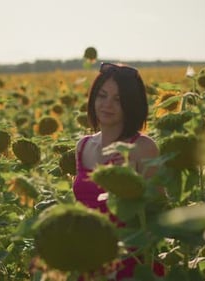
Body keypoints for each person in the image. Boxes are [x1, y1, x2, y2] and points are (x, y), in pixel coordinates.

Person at [73, 62, 165, 279]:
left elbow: (158, 213)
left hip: (132, 265)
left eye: (118, 99)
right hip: (89, 264)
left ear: (131, 105)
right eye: (102, 96)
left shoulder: (142, 148)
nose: (107, 105)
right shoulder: (83, 146)